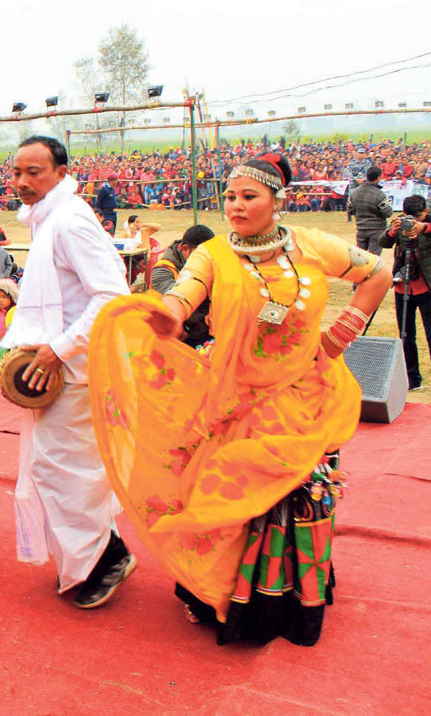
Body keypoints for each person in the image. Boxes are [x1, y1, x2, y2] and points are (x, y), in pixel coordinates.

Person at [90, 153, 390, 646]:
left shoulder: (312, 244)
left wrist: (336, 341)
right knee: (222, 494)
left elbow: (376, 275)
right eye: (230, 196)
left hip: (303, 393)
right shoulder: (214, 255)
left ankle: (282, 602)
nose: (235, 206)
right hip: (235, 398)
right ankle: (215, 593)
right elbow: (184, 292)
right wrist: (168, 315)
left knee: (293, 498)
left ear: (278, 200)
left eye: (248, 196)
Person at [0, 136, 134, 609]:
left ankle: (101, 561)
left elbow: (113, 295)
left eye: (34, 172)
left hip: (76, 370)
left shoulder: (71, 219)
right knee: (67, 467)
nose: (22, 182)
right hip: (58, 369)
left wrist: (56, 349)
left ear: (60, 172)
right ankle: (103, 550)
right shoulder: (47, 219)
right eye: (17, 172)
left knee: (61, 469)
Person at [380, 195, 431, 391]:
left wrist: (424, 227)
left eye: (418, 217)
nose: (414, 222)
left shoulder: (427, 223)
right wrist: (392, 231)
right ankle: (412, 378)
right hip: (404, 287)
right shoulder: (401, 223)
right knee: (406, 334)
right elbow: (383, 242)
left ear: (425, 212)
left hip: (426, 287)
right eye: (411, 217)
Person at [151, 225, 216, 348]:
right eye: (200, 256)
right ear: (185, 250)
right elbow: (182, 303)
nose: (206, 261)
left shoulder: (213, 263)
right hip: (179, 337)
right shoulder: (162, 271)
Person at [346, 166, 393, 254]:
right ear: (378, 178)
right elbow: (388, 213)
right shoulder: (380, 195)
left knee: (360, 258)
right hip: (377, 230)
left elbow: (350, 210)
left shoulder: (355, 193)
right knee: (374, 258)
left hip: (361, 229)